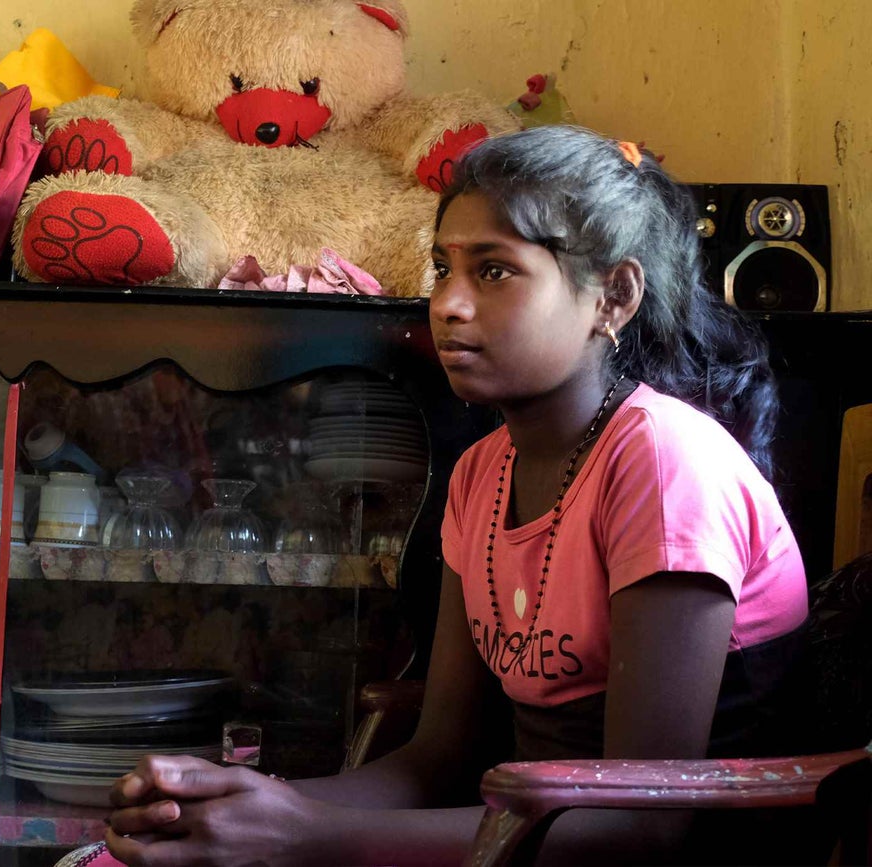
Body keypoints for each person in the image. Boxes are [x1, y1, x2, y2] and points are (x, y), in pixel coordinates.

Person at [95, 125, 811, 866]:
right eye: (444, 267)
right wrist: (245, 804)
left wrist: (305, 836)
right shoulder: (481, 473)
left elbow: (640, 829)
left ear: (615, 297)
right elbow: (436, 759)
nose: (449, 305)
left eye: (495, 271)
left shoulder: (662, 465)